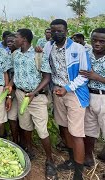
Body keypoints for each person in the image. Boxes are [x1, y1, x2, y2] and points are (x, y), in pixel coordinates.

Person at [43, 19, 90, 180]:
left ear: (66, 31)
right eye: (53, 31)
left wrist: (67, 88)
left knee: (76, 134)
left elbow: (84, 76)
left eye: (60, 31)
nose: (56, 33)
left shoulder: (78, 49)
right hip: (57, 91)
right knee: (63, 127)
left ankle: (78, 174)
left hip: (74, 93)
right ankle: (71, 160)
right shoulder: (48, 46)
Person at [9, 28, 58, 179]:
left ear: (23, 39)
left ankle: (50, 161)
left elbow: (47, 78)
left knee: (42, 130)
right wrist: (11, 86)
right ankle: (29, 150)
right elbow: (16, 74)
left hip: (36, 98)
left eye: (16, 37)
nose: (13, 39)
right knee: (25, 126)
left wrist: (34, 92)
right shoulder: (15, 54)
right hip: (20, 94)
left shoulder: (38, 54)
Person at [80, 28, 105, 168]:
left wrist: (97, 77)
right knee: (89, 129)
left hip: (104, 97)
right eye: (94, 40)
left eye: (102, 41)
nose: (97, 43)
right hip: (88, 95)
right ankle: (88, 157)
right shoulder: (85, 54)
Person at [5, 33, 21, 145]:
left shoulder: (20, 54)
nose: (11, 43)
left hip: (18, 89)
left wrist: (10, 86)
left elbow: (17, 74)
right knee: (12, 117)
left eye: (13, 40)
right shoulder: (8, 54)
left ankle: (23, 142)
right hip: (10, 90)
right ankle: (15, 141)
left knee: (22, 119)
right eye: (8, 41)